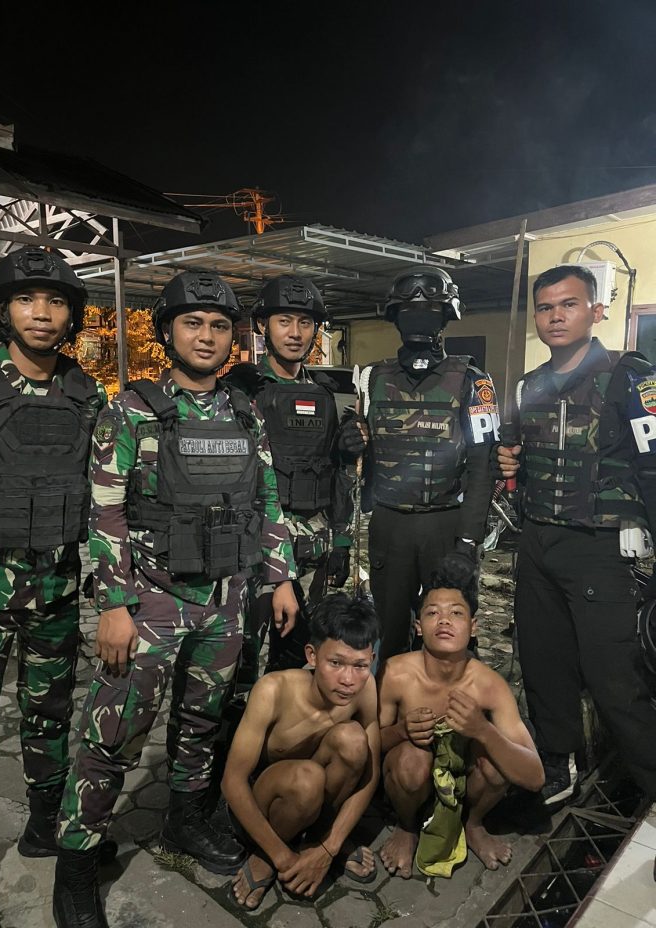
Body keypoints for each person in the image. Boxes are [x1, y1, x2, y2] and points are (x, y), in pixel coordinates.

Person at [52, 270, 299, 928]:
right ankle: (77, 864)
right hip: (151, 603)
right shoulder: (130, 410)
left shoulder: (245, 413)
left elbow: (268, 498)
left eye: (218, 326)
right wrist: (114, 603)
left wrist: (281, 577)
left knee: (201, 724)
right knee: (111, 736)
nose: (207, 336)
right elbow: (105, 512)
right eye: (193, 323)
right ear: (167, 332)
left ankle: (183, 821)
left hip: (226, 598)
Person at [0, 247, 106, 928]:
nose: (42, 313)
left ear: (72, 315)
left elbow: (103, 486)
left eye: (55, 301)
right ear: (2, 310)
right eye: (26, 299)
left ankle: (45, 824)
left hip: (56, 588)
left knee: (50, 716)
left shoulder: (86, 391)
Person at [498, 264, 656, 807]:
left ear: (597, 311)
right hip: (539, 541)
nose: (556, 316)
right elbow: (523, 457)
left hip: (600, 547)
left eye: (569, 304)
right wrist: (510, 462)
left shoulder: (630, 375)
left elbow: (653, 462)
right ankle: (557, 763)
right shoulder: (529, 384)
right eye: (545, 307)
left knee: (614, 676)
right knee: (545, 664)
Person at [339, 267, 499, 662]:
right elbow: (359, 448)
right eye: (409, 311)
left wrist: (467, 542)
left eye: (430, 311)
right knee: (388, 634)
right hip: (390, 525)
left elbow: (483, 468)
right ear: (394, 317)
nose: (419, 319)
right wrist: (347, 444)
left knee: (450, 641)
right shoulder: (372, 378)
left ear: (447, 316)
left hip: (447, 526)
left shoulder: (473, 381)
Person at [378, 562, 544, 880]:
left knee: (499, 759)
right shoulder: (395, 673)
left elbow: (534, 777)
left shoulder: (489, 685)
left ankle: (474, 823)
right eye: (433, 613)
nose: (444, 620)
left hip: (464, 780)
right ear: (418, 627)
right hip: (410, 781)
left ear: (473, 626)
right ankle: (406, 825)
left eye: (456, 613)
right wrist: (401, 731)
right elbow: (369, 746)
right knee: (412, 762)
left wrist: (482, 730)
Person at [225, 275, 352, 676]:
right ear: (263, 325)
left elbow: (339, 475)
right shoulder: (238, 390)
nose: (295, 333)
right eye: (284, 321)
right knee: (239, 663)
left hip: (312, 548)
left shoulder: (328, 393)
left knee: (297, 662)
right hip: (253, 547)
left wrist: (342, 541)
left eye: (305, 322)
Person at [221, 593, 381, 910]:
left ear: (371, 660)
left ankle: (317, 835)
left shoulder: (365, 688)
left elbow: (371, 773)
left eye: (360, 666)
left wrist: (329, 847)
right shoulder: (274, 690)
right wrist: (282, 858)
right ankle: (264, 855)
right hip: (266, 803)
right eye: (336, 663)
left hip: (318, 799)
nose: (348, 680)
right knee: (307, 778)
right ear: (312, 655)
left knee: (353, 740)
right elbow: (232, 782)